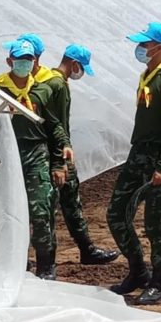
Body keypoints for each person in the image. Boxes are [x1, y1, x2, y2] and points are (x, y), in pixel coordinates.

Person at [106, 22, 161, 305]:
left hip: (157, 159)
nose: (140, 48)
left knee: (156, 222)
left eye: (145, 44)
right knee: (117, 212)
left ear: (159, 48)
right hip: (137, 155)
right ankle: (138, 271)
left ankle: (158, 284)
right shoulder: (148, 75)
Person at [0, 39, 68, 280]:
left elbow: (54, 127)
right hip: (8, 158)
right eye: (19, 60)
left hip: (36, 156)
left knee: (41, 211)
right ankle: (15, 262)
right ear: (9, 61)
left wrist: (58, 162)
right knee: (9, 212)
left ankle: (47, 266)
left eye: (28, 60)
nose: (24, 64)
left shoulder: (42, 90)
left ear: (34, 62)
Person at [37, 45, 120, 265]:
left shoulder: (56, 82)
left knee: (70, 201)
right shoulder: (56, 84)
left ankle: (86, 249)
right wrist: (59, 159)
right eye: (80, 68)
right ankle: (49, 260)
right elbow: (54, 124)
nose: (79, 73)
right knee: (52, 205)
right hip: (55, 154)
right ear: (74, 64)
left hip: (58, 152)